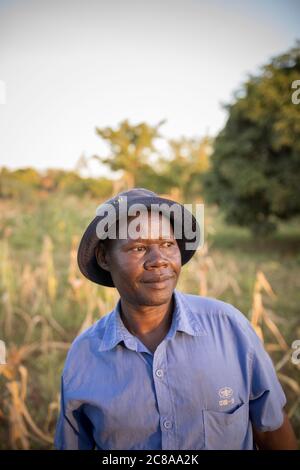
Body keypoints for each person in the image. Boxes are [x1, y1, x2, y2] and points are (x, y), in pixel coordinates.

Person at [54, 188, 297, 450]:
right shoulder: (85, 356)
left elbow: (272, 431)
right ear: (104, 258)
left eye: (168, 245)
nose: (159, 261)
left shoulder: (229, 328)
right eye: (138, 248)